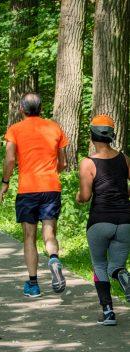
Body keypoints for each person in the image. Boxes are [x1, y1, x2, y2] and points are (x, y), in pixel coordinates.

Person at [0, 93, 68, 298]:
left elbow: (10, 160)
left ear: (21, 109)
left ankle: (33, 284)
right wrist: (51, 174)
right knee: (49, 233)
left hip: (27, 189)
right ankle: (54, 258)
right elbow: (63, 163)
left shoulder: (15, 130)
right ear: (41, 108)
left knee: (29, 237)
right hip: (50, 188)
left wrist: (5, 182)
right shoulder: (54, 127)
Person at [76, 114, 130, 326]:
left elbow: (85, 196)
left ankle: (108, 312)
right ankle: (123, 276)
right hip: (126, 221)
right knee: (116, 266)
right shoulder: (124, 159)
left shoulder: (88, 163)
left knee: (99, 265)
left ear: (92, 136)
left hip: (100, 221)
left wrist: (78, 197)